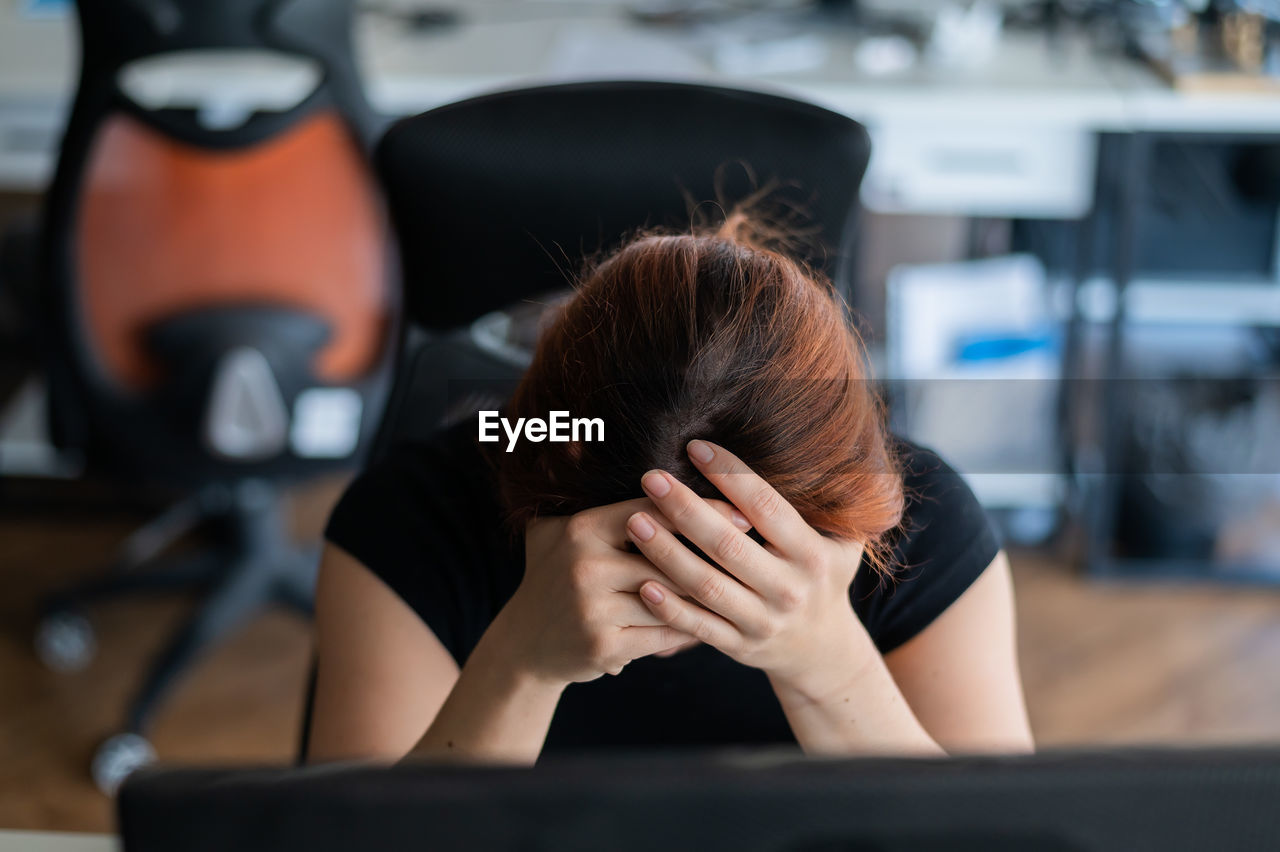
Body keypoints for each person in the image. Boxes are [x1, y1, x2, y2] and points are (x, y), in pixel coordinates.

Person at [306, 209, 1034, 764]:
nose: (677, 619)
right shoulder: (409, 516)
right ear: (544, 463)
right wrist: (518, 662)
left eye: (737, 560)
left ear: (836, 505)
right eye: (634, 557)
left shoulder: (926, 518)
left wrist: (832, 666)